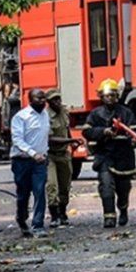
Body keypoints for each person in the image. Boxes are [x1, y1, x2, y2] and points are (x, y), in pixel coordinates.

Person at [82, 79, 136, 228]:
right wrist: (103, 132)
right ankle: (109, 217)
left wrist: (135, 140)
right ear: (101, 96)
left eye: (112, 95)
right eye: (106, 95)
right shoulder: (95, 114)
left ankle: (123, 209)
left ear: (117, 96)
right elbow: (86, 131)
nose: (109, 98)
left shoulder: (126, 113)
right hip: (105, 156)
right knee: (106, 186)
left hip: (123, 156)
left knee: (123, 188)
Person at [10, 88, 50, 238]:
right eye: (38, 98)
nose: (42, 101)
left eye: (43, 98)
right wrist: (33, 153)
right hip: (22, 161)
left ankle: (38, 224)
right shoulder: (21, 117)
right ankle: (21, 218)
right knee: (23, 193)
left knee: (40, 191)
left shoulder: (45, 115)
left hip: (40, 162)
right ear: (30, 100)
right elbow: (17, 140)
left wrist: (44, 153)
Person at [45, 89, 74, 229]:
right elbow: (50, 139)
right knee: (52, 185)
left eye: (58, 99)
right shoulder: (46, 116)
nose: (57, 102)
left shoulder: (64, 112)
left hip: (64, 154)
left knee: (65, 185)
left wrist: (71, 142)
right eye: (54, 100)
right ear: (48, 103)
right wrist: (70, 140)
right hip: (50, 154)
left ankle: (63, 213)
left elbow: (67, 128)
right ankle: (54, 216)